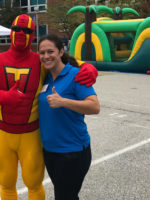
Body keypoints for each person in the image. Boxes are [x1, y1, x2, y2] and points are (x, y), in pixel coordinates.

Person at [0, 14, 98, 200]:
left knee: (34, 182)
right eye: (17, 30)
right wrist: (5, 97)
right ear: (10, 31)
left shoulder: (40, 61)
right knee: (6, 183)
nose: (21, 33)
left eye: (27, 30)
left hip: (32, 134)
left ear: (32, 34)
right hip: (3, 133)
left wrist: (87, 67)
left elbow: (66, 63)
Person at [38, 34, 100, 200]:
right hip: (50, 152)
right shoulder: (45, 77)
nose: (46, 56)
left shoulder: (76, 75)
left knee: (64, 196)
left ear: (60, 51)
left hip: (72, 152)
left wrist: (63, 101)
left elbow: (94, 107)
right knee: (67, 195)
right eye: (42, 53)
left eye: (50, 51)